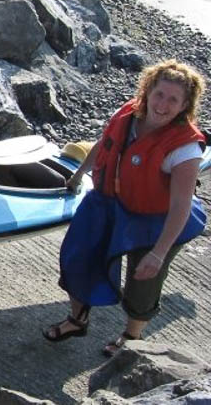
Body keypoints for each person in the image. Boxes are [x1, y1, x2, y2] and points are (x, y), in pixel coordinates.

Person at [43, 59, 206, 357]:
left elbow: (181, 205)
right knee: (78, 259)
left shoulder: (185, 148)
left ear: (185, 106)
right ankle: (77, 319)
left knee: (142, 282)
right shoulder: (128, 114)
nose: (162, 104)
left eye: (173, 100)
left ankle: (131, 337)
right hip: (110, 204)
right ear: (147, 90)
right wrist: (79, 174)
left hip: (156, 220)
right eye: (159, 94)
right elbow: (105, 144)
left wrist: (158, 253)